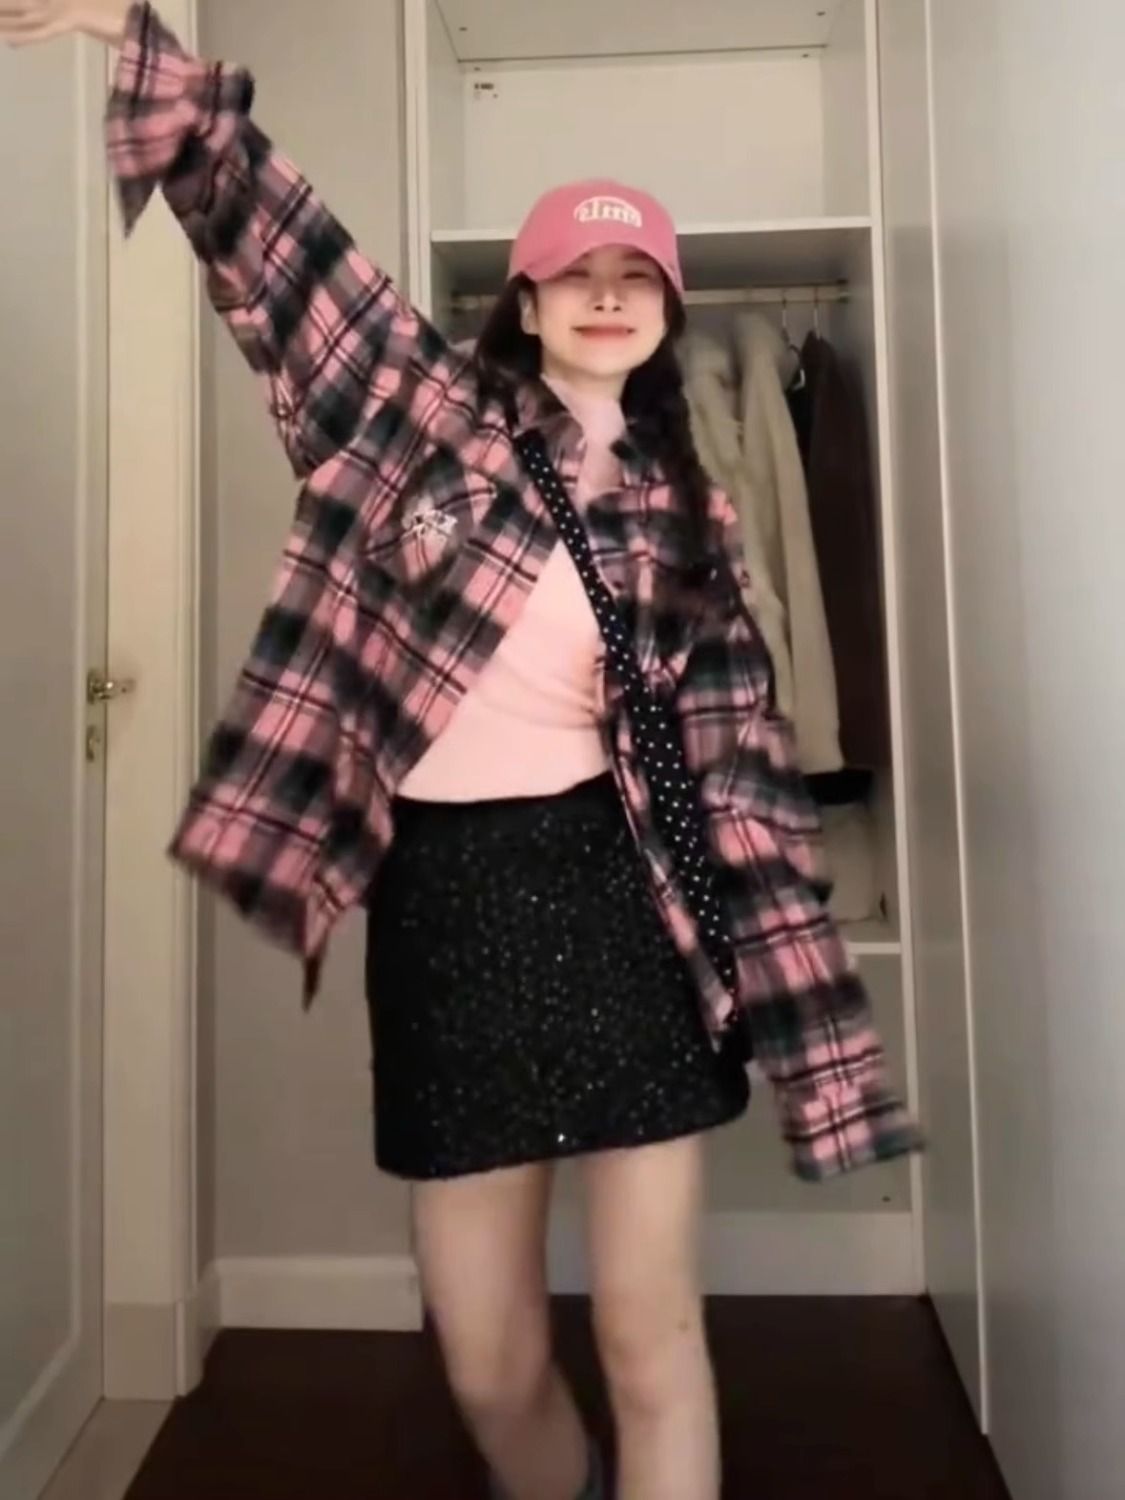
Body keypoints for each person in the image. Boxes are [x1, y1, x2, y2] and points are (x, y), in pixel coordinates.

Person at [2, 4, 922, 1497]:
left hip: (625, 910)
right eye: (580, 273)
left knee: (650, 1333)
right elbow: (287, 256)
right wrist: (141, 39)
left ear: (669, 311)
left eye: (640, 276)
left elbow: (744, 785)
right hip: (446, 901)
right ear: (528, 301)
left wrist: (814, 1031)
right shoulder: (419, 420)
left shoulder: (693, 515)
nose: (609, 295)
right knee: (488, 1356)